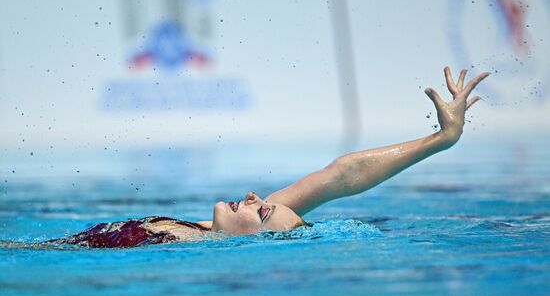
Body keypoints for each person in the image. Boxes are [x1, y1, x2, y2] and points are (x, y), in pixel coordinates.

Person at [46, 66, 490, 248]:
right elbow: (340, 175)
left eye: (261, 212)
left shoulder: (188, 248)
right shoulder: (213, 231)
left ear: (248, 239)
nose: (256, 196)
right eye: (265, 204)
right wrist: (441, 140)